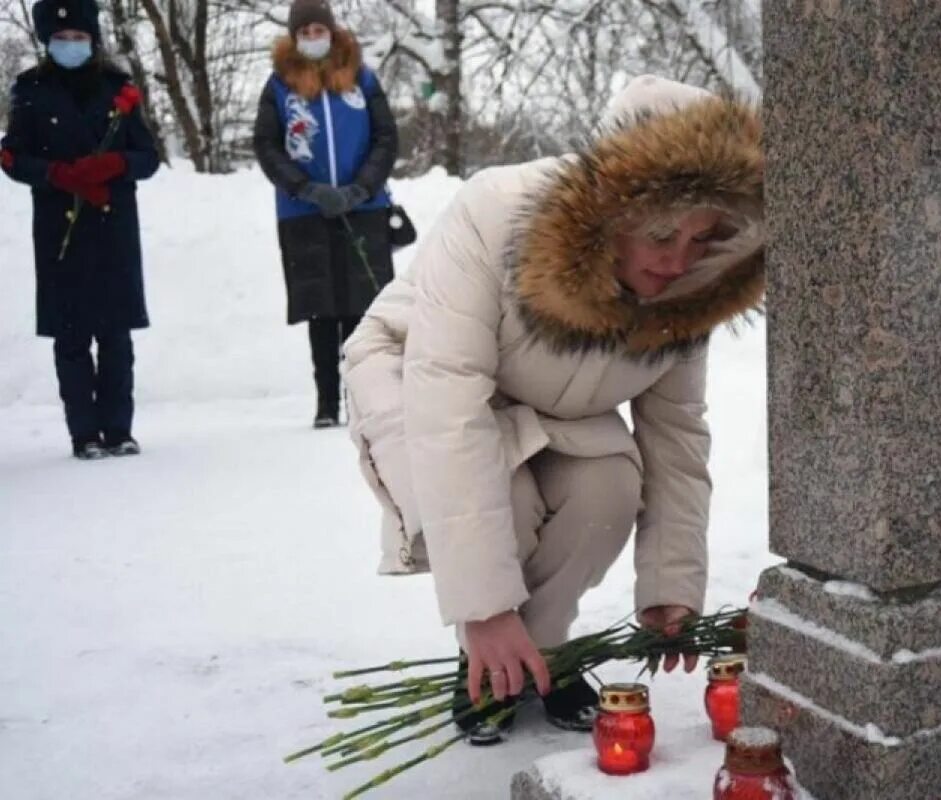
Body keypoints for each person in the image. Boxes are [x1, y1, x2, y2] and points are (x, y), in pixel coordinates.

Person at [343, 74, 764, 745]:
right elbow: (449, 402)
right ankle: (486, 655)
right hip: (414, 372)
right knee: (502, 499)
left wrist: (670, 583)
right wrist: (482, 609)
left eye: (703, 238)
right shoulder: (497, 214)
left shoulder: (690, 290)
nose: (677, 258)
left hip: (548, 405)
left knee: (608, 486)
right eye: (661, 231)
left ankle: (538, 656)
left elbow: (676, 435)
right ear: (613, 206)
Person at [1, 0, 160, 460]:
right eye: (61, 38)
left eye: (79, 38)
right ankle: (83, 433)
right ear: (47, 42)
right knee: (71, 336)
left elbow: (147, 157)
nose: (71, 45)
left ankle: (118, 429)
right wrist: (55, 175)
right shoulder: (30, 91)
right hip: (59, 226)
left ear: (93, 40)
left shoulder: (118, 90)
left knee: (114, 335)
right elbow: (13, 156)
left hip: (112, 225)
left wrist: (116, 163)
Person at [252, 0, 398, 429]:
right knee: (321, 308)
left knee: (361, 307)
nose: (313, 38)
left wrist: (361, 187)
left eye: (320, 30)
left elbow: (386, 138)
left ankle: (362, 400)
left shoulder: (363, 79)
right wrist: (305, 188)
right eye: (305, 32)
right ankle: (326, 403)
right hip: (304, 212)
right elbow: (267, 145)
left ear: (332, 33)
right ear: (295, 37)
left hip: (362, 208)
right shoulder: (279, 86)